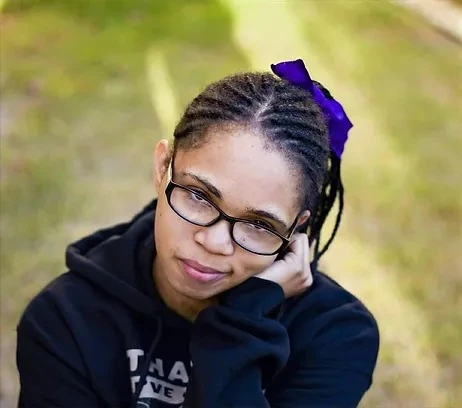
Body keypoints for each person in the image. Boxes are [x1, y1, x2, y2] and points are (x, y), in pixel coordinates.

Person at [16, 59, 379, 408]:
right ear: (163, 167)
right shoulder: (65, 319)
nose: (214, 243)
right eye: (199, 196)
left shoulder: (336, 334)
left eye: (259, 224)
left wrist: (243, 319)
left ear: (296, 228)